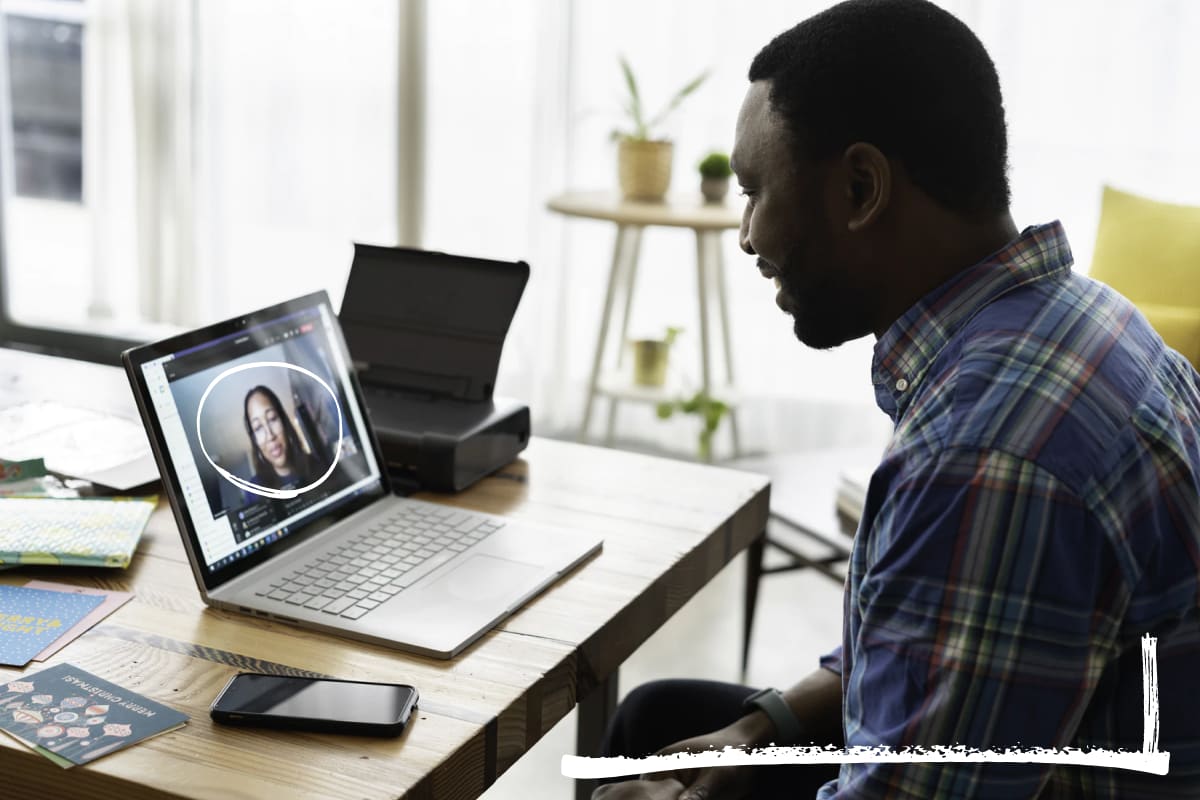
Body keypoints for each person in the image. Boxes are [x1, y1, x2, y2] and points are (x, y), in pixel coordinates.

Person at [595, 1, 1200, 798]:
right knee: (659, 722)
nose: (746, 234)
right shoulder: (1082, 319)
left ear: (859, 188)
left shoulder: (984, 453)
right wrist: (761, 726)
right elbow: (928, 641)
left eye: (755, 190)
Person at [243, 384, 323, 490]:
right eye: (258, 428)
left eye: (272, 419)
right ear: (255, 440)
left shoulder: (315, 465)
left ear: (284, 422)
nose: (270, 436)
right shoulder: (254, 490)